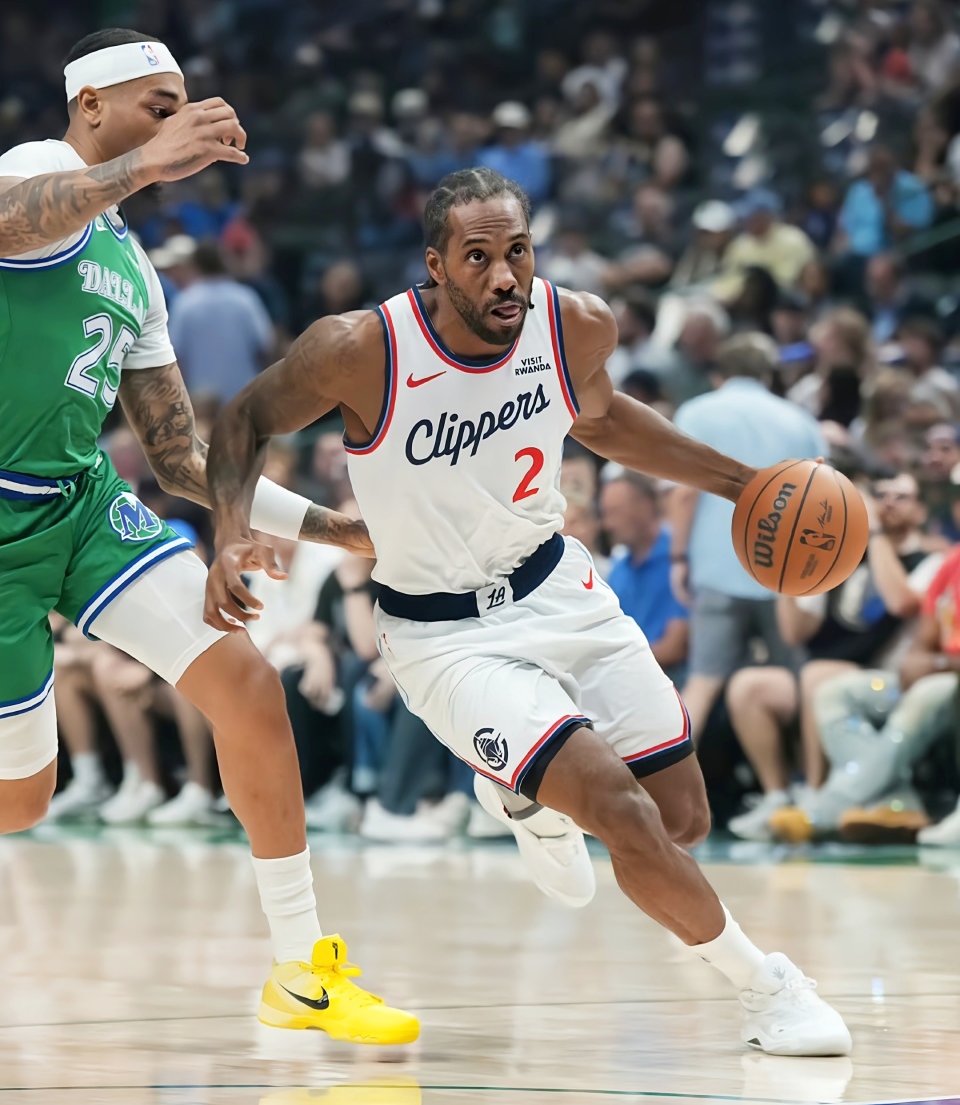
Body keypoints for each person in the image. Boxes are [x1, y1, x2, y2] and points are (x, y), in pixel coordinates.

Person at [206, 166, 851, 1057]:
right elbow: (242, 421)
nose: (505, 275)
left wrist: (743, 484)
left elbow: (602, 419)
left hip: (558, 589)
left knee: (682, 820)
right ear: (437, 265)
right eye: (479, 257)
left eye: (518, 251)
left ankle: (523, 795)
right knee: (621, 811)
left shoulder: (573, 323)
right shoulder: (362, 348)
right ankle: (768, 988)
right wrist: (231, 533)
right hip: (446, 635)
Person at [0, 28, 416, 1045]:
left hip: (81, 503)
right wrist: (148, 161)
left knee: (246, 682)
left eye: (183, 103)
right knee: (21, 800)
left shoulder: (136, 270)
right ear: (90, 105)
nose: (179, 117)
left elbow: (183, 457)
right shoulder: (37, 170)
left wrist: (336, 528)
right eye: (159, 102)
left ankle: (301, 970)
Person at [725, 472, 944, 840]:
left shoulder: (929, 560)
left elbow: (902, 603)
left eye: (901, 496)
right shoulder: (842, 555)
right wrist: (786, 569)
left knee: (819, 675)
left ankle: (816, 794)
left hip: (887, 680)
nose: (887, 502)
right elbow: (796, 633)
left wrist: (874, 534)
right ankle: (777, 795)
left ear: (921, 511)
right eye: (881, 494)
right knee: (750, 686)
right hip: (830, 670)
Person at [669, 333, 826, 744]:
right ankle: (806, 777)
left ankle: (666, 778)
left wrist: (678, 557)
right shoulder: (799, 420)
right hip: (783, 573)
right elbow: (823, 495)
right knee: (798, 682)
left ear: (719, 374)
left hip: (716, 566)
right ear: (769, 374)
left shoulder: (697, 412)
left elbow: (684, 493)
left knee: (702, 682)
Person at [599, 470, 689, 685]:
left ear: (645, 507)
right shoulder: (618, 571)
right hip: (628, 678)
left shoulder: (679, 561)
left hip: (671, 681)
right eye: (605, 513)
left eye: (615, 512)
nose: (608, 524)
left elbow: (675, 647)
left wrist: (615, 665)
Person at [168, 241, 275, 402]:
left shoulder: (184, 302)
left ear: (195, 265)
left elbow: (175, 356)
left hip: (199, 400)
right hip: (243, 398)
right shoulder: (245, 299)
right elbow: (265, 347)